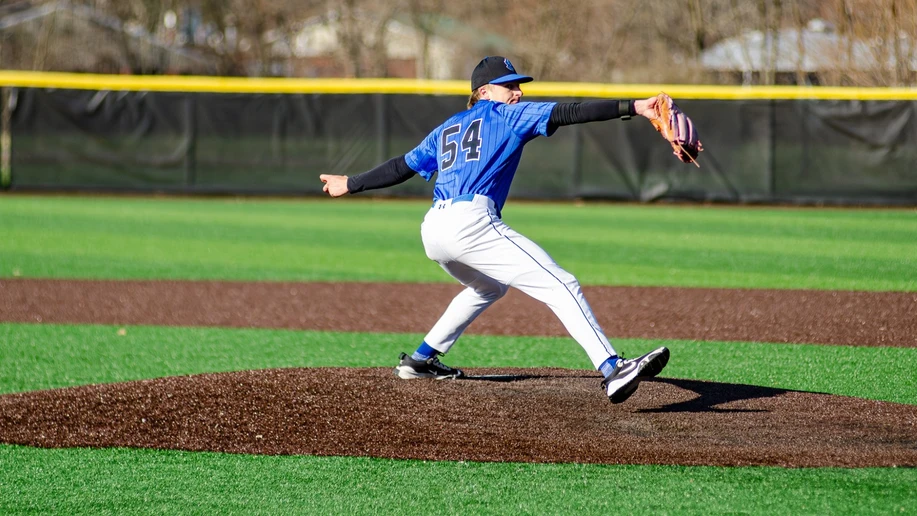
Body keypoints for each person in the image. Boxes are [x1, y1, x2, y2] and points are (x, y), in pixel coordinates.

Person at [320, 56, 669, 404]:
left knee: (488, 288)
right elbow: (570, 112)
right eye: (510, 86)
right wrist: (635, 107)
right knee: (561, 283)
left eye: (518, 85)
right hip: (470, 222)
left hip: (434, 229)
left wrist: (351, 183)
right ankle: (613, 368)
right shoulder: (506, 115)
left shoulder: (448, 127)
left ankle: (420, 360)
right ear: (484, 92)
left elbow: (402, 166)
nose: (517, 93)